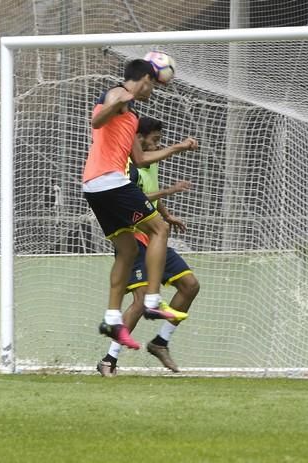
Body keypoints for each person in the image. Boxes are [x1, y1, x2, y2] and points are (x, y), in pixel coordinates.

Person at [82, 59, 197, 350]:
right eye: (154, 86)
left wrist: (178, 148)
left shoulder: (131, 116)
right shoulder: (118, 94)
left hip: (94, 186)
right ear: (145, 78)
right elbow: (96, 121)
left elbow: (142, 159)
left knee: (127, 249)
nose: (153, 92)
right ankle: (153, 301)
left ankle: (111, 318)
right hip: (110, 181)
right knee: (159, 229)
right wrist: (122, 99)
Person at [97, 117, 200, 377]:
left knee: (190, 286)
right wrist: (169, 192)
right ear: (138, 138)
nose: (157, 145)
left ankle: (160, 342)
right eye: (154, 140)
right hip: (136, 240)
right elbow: (137, 198)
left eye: (159, 140)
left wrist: (166, 215)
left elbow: (148, 196)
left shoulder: (150, 164)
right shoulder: (129, 165)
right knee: (141, 302)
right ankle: (109, 359)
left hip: (156, 238)